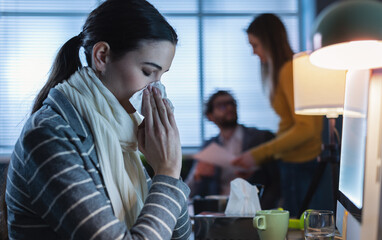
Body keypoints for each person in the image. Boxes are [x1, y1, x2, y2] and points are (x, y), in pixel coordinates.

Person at [2, 0, 191, 239]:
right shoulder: (49, 136)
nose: (155, 89)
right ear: (102, 56)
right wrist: (167, 173)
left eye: (161, 76)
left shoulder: (121, 137)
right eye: (147, 72)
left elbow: (181, 236)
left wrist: (165, 166)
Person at [233, 13, 333, 217]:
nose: (253, 52)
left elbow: (307, 128)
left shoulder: (290, 70)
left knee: (300, 226)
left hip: (301, 164)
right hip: (293, 163)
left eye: (255, 45)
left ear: (269, 41)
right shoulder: (283, 70)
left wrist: (257, 154)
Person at [186, 90, 281, 210]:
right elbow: (189, 191)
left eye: (232, 103)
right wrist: (198, 176)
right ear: (210, 116)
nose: (229, 107)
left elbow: (276, 182)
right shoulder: (209, 147)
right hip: (220, 210)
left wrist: (262, 210)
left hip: (253, 208)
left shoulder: (260, 138)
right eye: (222, 105)